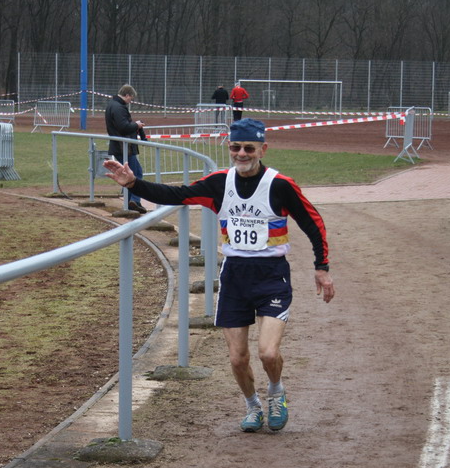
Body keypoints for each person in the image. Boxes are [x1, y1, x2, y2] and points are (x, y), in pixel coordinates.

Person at [104, 118, 335, 433]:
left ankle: (276, 392)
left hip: (272, 276)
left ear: (263, 149)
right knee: (238, 358)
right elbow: (177, 194)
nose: (242, 154)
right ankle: (252, 406)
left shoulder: (280, 185)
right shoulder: (218, 183)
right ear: (229, 148)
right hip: (235, 277)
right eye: (236, 147)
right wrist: (134, 184)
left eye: (249, 148)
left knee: (268, 353)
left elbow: (313, 222)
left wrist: (322, 267)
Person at [105, 84, 149, 214]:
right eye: (131, 98)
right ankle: (134, 201)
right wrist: (136, 125)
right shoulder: (119, 107)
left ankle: (131, 202)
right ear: (127, 95)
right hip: (124, 147)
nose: (131, 101)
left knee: (133, 173)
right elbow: (123, 127)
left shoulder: (112, 105)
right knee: (136, 174)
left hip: (121, 146)